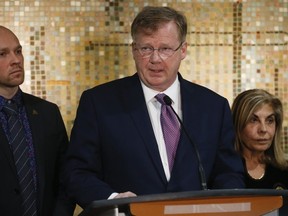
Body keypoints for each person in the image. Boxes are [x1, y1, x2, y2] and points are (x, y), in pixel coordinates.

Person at [64, 6, 245, 208]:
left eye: (165, 49)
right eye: (146, 48)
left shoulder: (213, 107)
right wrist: (113, 200)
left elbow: (229, 173)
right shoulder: (99, 103)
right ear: (134, 50)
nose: (155, 59)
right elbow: (77, 172)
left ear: (183, 50)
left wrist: (222, 205)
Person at [0, 26, 75, 215]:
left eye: (18, 51)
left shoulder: (47, 113)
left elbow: (66, 178)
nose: (16, 60)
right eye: (3, 54)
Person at [232, 89, 288, 189]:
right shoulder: (224, 172)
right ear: (238, 124)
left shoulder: (284, 169)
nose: (263, 129)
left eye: (270, 120)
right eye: (253, 120)